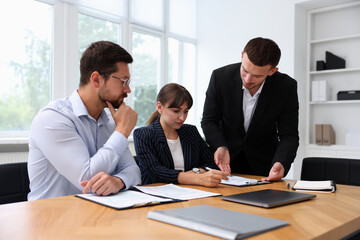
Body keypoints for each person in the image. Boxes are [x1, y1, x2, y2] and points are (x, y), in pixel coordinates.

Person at [28, 41, 141, 200]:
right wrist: (122, 131)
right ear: (96, 79)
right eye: (123, 81)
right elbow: (87, 179)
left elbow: (133, 171)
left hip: (95, 214)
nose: (128, 90)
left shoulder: (110, 121)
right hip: (51, 218)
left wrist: (118, 180)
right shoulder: (52, 118)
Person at [201, 37, 299, 181]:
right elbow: (209, 121)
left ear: (272, 71)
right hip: (224, 163)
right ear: (242, 56)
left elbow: (289, 135)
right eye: (245, 70)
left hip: (263, 167)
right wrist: (220, 146)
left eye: (257, 76)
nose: (247, 79)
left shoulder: (286, 87)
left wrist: (281, 162)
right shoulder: (220, 77)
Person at [133, 83, 229, 187]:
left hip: (191, 193)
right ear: (160, 107)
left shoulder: (190, 131)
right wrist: (197, 178)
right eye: (176, 111)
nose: (182, 118)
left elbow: (211, 164)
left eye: (186, 111)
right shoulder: (143, 135)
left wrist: (194, 173)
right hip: (158, 195)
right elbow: (156, 172)